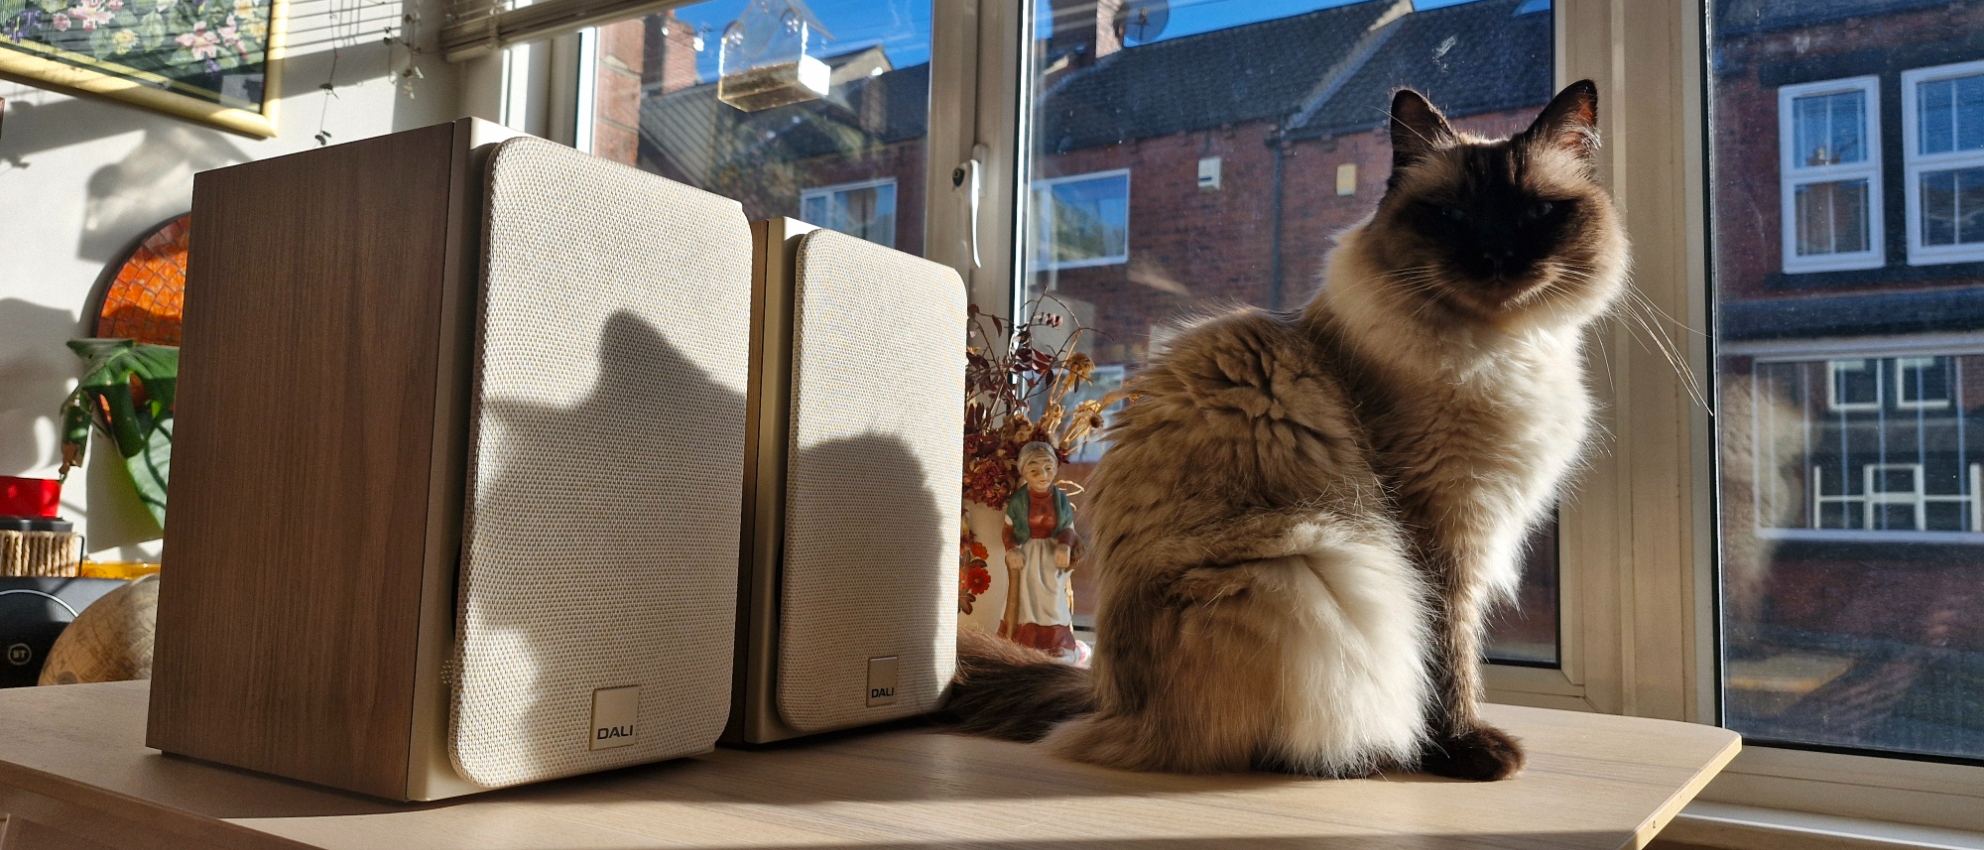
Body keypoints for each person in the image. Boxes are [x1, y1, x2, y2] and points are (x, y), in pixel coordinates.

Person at [1000, 441, 1082, 661]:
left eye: (1048, 468)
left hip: (1052, 557)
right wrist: (1012, 550)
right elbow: (1008, 531)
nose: (1043, 475)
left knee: (1054, 600)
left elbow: (1068, 528)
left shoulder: (1060, 499)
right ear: (1023, 471)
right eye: (1034, 470)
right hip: (1026, 557)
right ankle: (1026, 643)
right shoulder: (1019, 501)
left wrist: (1064, 545)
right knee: (1027, 602)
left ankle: (1059, 643)